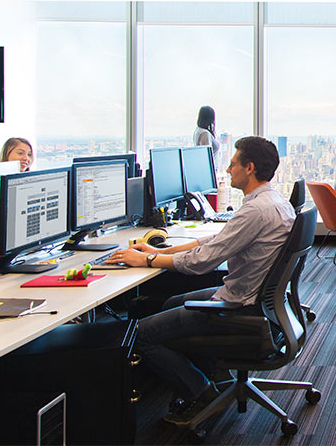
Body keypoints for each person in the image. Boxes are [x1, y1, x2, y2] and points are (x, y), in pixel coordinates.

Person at [105, 136, 294, 427]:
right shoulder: (273, 202)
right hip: (257, 303)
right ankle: (214, 375)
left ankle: (200, 392)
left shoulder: (256, 210)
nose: (228, 170)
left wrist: (148, 260)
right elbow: (216, 240)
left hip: (239, 308)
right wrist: (160, 251)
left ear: (250, 168)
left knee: (139, 336)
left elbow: (201, 262)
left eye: (233, 164)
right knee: (171, 303)